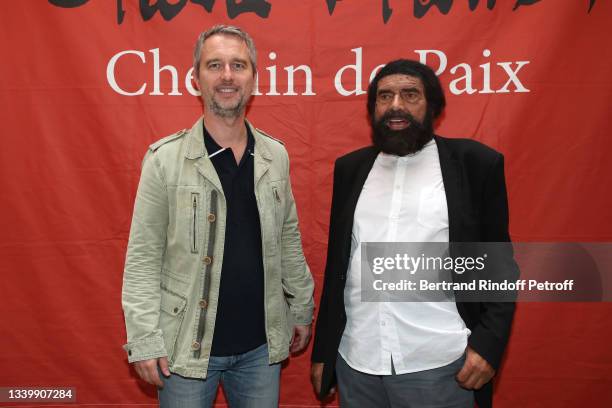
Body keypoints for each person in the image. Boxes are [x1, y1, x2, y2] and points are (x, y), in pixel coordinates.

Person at [122, 24, 314, 408]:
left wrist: (302, 306)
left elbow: (288, 237)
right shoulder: (164, 160)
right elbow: (142, 259)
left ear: (254, 79)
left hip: (261, 349)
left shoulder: (276, 156)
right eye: (214, 65)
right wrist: (144, 338)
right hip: (185, 350)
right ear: (196, 79)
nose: (227, 76)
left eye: (238, 65)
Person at [310, 59, 517, 408]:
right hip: (357, 361)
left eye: (410, 95)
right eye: (384, 96)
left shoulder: (475, 164)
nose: (395, 106)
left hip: (440, 363)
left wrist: (488, 347)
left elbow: (499, 267)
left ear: (432, 106)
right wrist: (325, 350)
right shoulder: (350, 169)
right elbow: (339, 268)